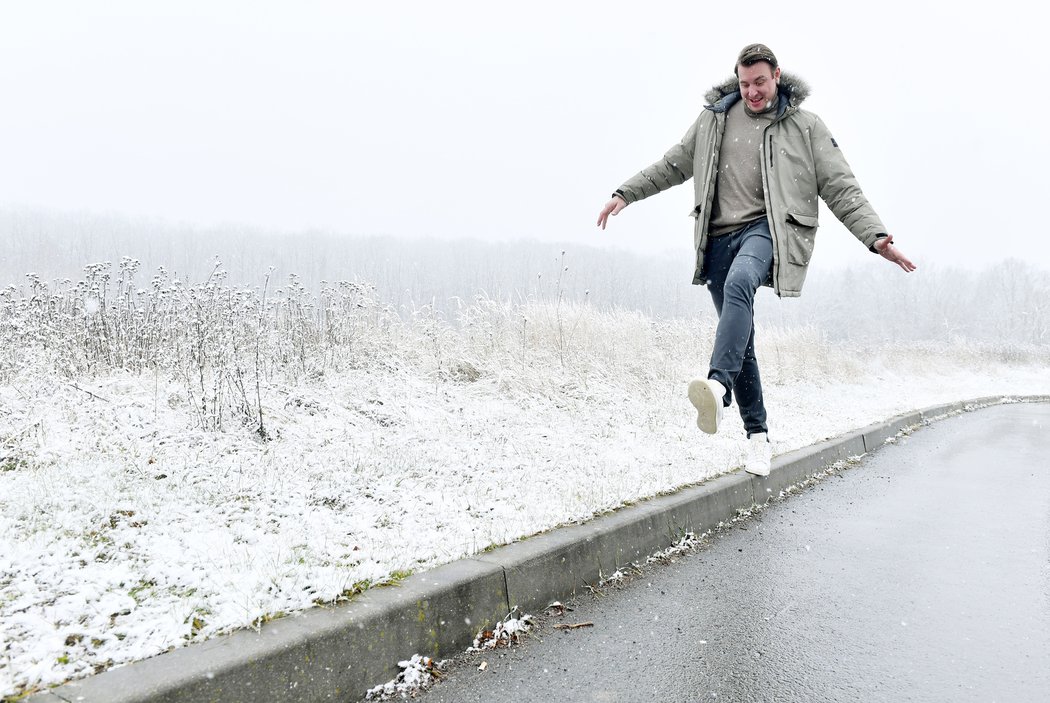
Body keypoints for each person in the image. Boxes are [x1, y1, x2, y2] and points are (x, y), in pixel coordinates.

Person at [596, 43, 915, 477]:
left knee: (740, 284)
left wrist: (876, 238)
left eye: (760, 82)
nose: (753, 92)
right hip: (717, 239)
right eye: (745, 84)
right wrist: (625, 193)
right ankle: (758, 436)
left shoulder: (804, 127)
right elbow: (673, 163)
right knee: (740, 341)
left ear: (777, 75)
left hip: (766, 230)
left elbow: (841, 187)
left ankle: (716, 384)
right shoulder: (714, 121)